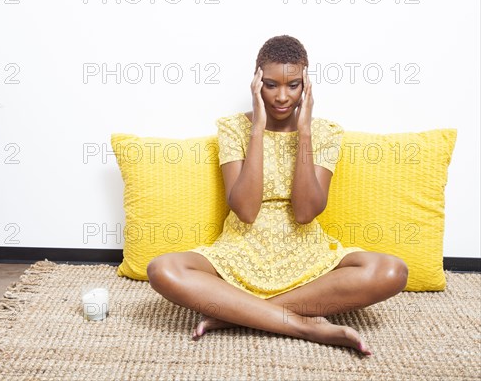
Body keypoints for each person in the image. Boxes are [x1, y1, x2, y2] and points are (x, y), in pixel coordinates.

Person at [146, 35, 408, 355]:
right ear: (256, 82)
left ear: (306, 84)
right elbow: (245, 210)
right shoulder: (232, 127)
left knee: (392, 272)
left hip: (309, 259)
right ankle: (301, 324)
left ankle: (236, 315)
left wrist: (306, 130)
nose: (282, 97)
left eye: (293, 85)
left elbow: (305, 212)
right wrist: (257, 127)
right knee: (162, 270)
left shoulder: (326, 131)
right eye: (271, 85)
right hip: (239, 252)